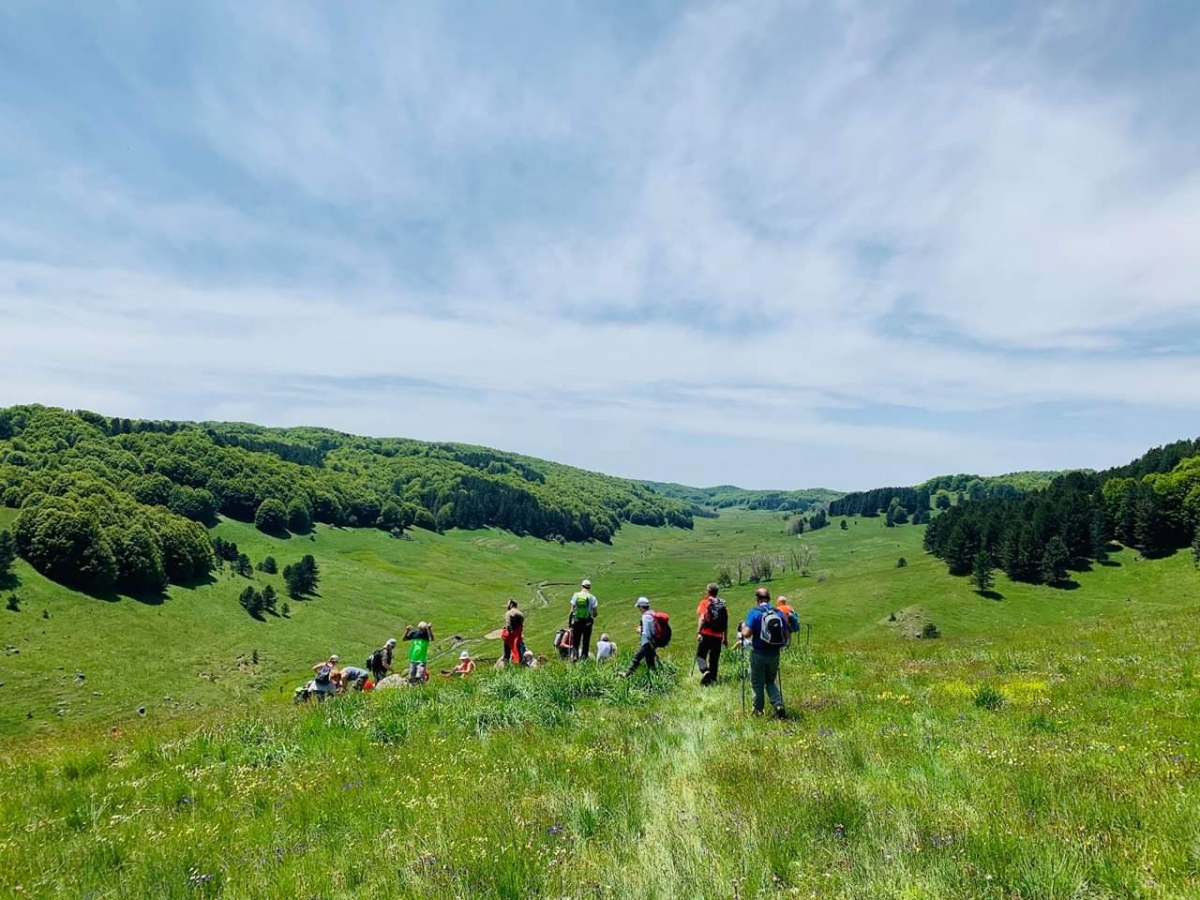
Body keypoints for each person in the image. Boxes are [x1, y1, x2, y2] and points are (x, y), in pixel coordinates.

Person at [741, 588, 787, 718]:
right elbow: (786, 634)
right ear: (769, 599)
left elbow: (747, 633)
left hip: (758, 653)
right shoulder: (778, 612)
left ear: (757, 600)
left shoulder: (754, 613)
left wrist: (743, 626)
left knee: (757, 683)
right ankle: (778, 703)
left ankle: (758, 711)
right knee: (770, 681)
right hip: (774, 653)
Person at [695, 582, 729, 686]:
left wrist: (699, 632)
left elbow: (702, 617)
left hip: (706, 634)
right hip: (718, 636)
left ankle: (705, 671)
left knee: (700, 656)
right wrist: (725, 638)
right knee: (714, 659)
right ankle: (712, 680)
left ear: (708, 592)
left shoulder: (705, 602)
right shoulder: (722, 605)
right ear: (717, 592)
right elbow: (725, 622)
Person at [619, 597, 657, 678]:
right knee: (650, 662)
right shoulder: (652, 613)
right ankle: (656, 677)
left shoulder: (645, 617)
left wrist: (640, 631)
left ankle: (627, 675)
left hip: (647, 643)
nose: (638, 609)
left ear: (641, 606)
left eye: (638, 607)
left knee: (636, 658)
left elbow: (647, 633)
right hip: (652, 643)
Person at [568, 578, 597, 661]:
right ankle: (584, 659)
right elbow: (595, 614)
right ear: (589, 587)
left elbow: (571, 611)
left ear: (582, 586)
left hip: (577, 622)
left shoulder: (576, 595)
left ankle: (574, 657)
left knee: (576, 641)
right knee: (586, 641)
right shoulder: (593, 598)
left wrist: (570, 623)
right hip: (587, 623)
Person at [502, 599, 525, 666]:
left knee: (507, 653)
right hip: (518, 636)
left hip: (510, 636)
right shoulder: (521, 613)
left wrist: (509, 631)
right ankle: (520, 664)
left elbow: (508, 624)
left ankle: (506, 665)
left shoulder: (509, 613)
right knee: (518, 651)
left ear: (511, 604)